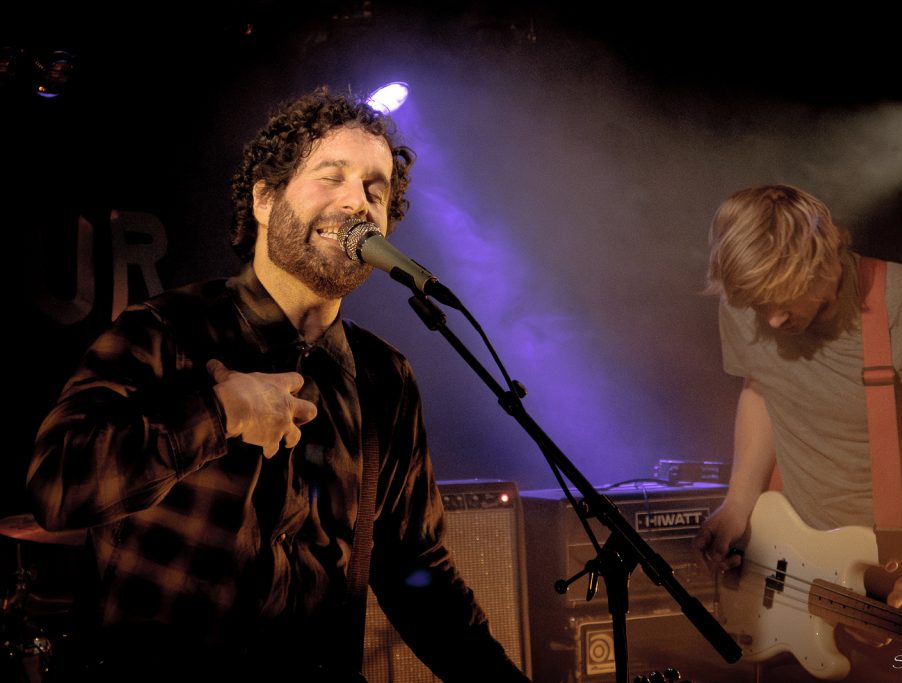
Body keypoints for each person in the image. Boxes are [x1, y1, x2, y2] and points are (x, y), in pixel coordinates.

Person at [26, 88, 530, 683]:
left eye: (375, 191)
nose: (358, 203)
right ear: (265, 198)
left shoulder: (384, 378)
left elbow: (415, 568)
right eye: (332, 177)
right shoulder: (166, 329)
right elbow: (57, 488)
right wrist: (217, 414)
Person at [695, 185, 902, 682]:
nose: (771, 319)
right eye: (758, 305)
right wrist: (738, 503)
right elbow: (761, 388)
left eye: (781, 298)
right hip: (796, 574)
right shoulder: (747, 301)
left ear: (824, 262)